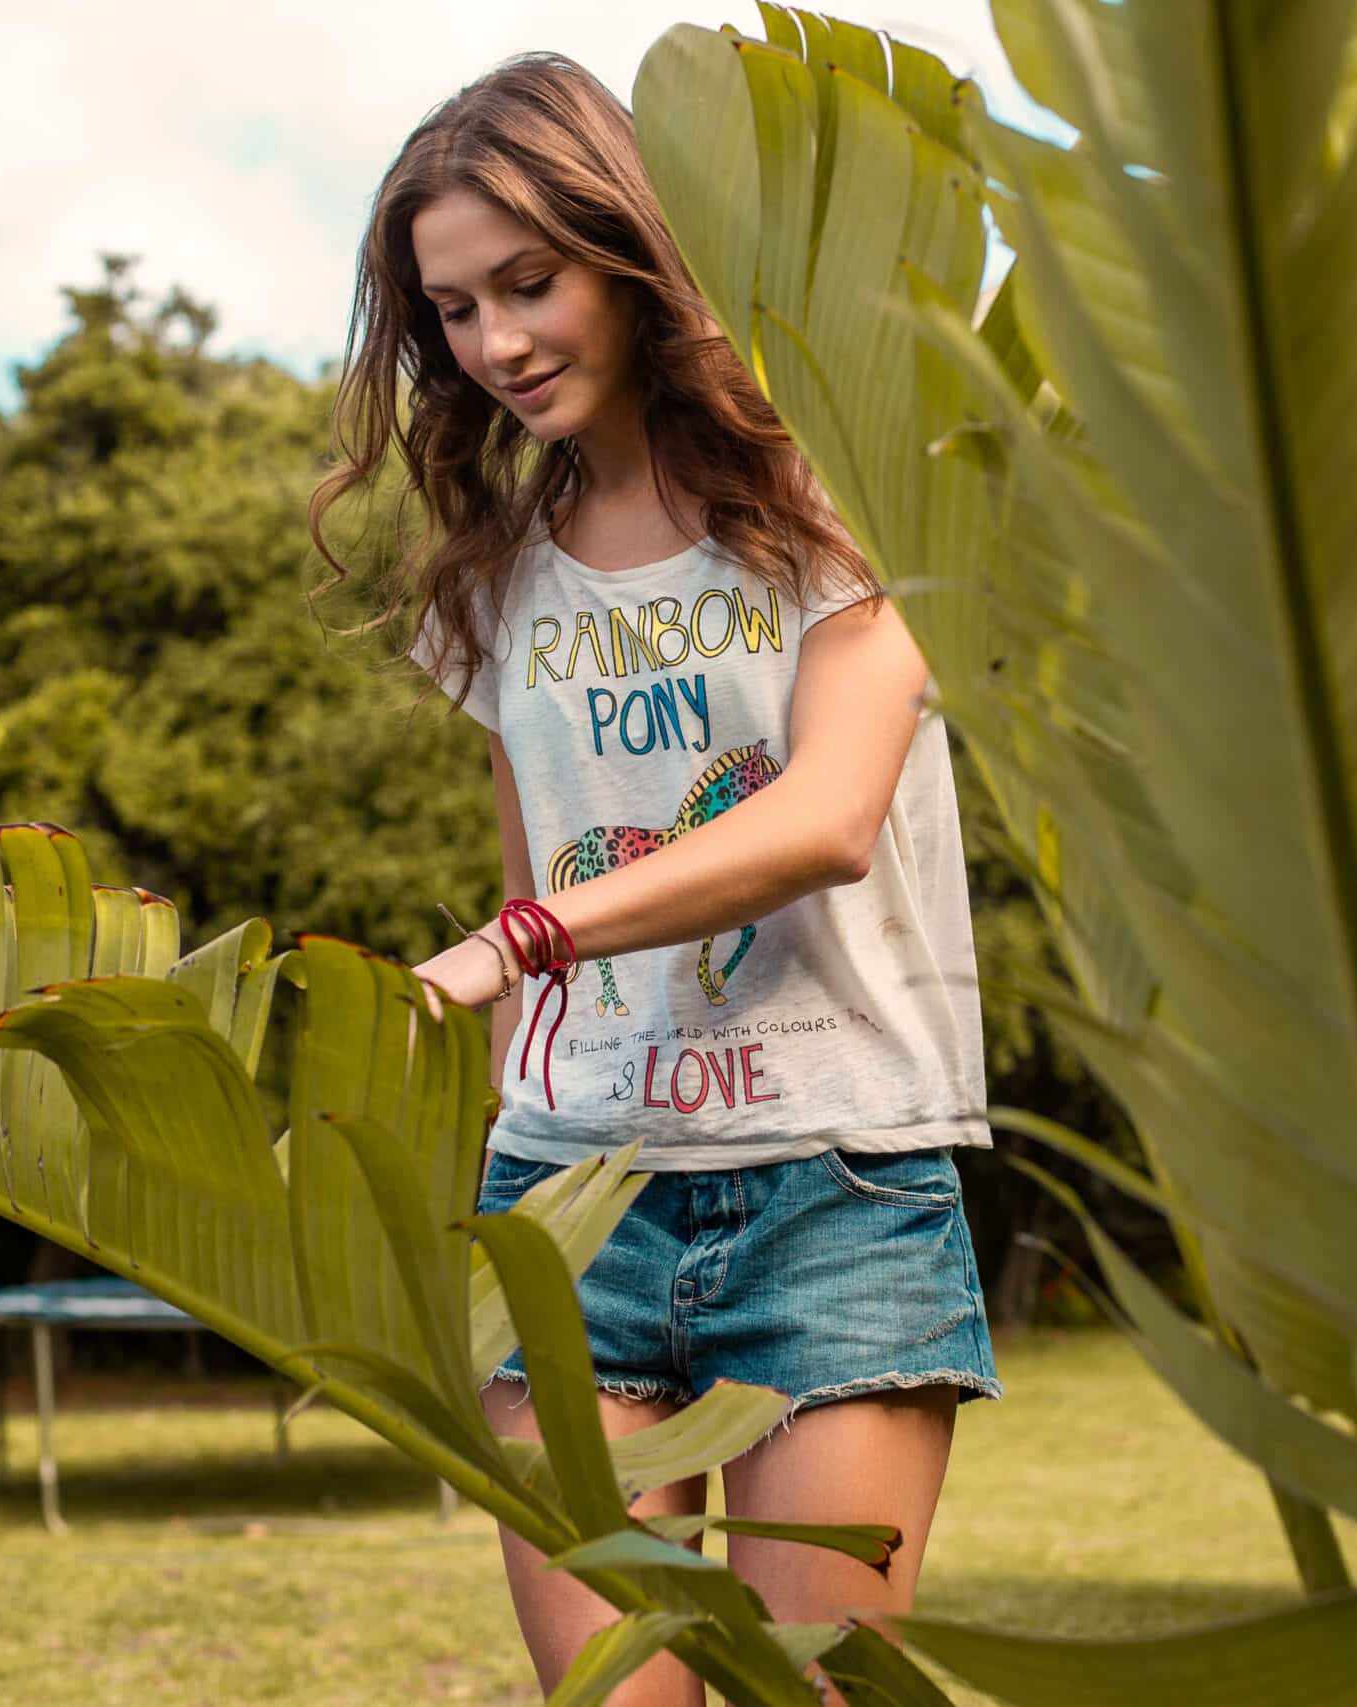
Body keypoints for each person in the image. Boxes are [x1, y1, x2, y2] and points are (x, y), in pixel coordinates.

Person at [305, 49, 998, 1707]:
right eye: (456, 309)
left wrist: (509, 945)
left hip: (838, 1191)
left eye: (530, 284)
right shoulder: (496, 580)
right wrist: (486, 1161)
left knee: (809, 1695)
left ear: (629, 250)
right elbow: (530, 853)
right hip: (568, 1204)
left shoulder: (840, 501)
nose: (498, 344)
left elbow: (828, 814)